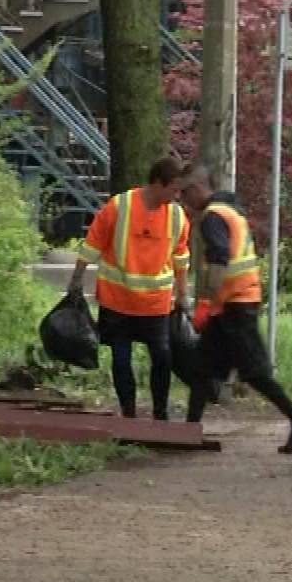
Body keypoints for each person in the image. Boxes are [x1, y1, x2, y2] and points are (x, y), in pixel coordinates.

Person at [179, 170, 292, 454]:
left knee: (254, 372)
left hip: (234, 306)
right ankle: (188, 432)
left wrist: (205, 303)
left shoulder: (213, 217)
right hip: (234, 304)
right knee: (201, 369)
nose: (182, 201)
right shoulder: (232, 211)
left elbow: (219, 257)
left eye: (184, 193)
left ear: (196, 189)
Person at [69, 158, 192, 419]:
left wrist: (183, 294)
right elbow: (93, 242)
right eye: (174, 190)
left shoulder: (177, 216)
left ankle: (160, 413)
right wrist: (76, 279)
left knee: (162, 358)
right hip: (119, 301)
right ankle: (129, 413)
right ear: (158, 183)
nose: (177, 196)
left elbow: (181, 257)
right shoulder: (120, 207)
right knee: (121, 359)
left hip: (155, 304)